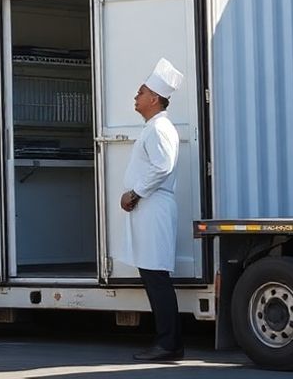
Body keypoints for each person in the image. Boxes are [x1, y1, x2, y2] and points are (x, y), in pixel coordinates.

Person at [119, 57, 185, 362]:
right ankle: (167, 342)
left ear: (154, 98)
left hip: (153, 205)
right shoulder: (155, 127)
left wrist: (135, 193)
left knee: (157, 278)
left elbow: (162, 166)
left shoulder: (159, 129)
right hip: (150, 207)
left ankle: (168, 344)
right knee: (152, 275)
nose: (136, 97)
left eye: (140, 92)